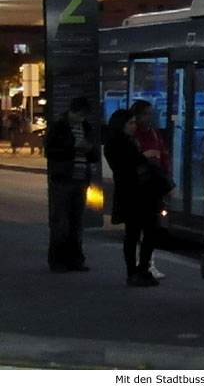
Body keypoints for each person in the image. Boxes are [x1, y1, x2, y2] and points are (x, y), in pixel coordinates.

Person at [104, 109, 165, 287]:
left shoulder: (131, 141)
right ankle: (134, 271)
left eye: (134, 123)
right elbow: (124, 167)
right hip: (132, 194)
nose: (134, 126)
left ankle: (142, 269)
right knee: (133, 234)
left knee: (149, 233)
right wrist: (143, 157)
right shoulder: (116, 144)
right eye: (130, 123)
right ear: (120, 125)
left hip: (145, 193)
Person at [45, 96, 98, 272]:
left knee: (77, 221)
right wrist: (73, 147)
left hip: (80, 179)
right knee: (60, 222)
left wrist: (89, 150)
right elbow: (50, 151)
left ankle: (75, 259)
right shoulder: (59, 127)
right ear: (72, 112)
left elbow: (94, 156)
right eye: (80, 115)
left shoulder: (86, 127)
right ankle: (58, 260)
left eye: (84, 115)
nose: (82, 118)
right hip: (63, 179)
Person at [130, 99, 170, 280]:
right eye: (146, 114)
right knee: (140, 229)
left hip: (155, 185)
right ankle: (141, 266)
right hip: (141, 187)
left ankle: (147, 264)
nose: (149, 117)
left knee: (151, 229)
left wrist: (166, 178)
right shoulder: (134, 136)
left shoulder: (153, 133)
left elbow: (163, 156)